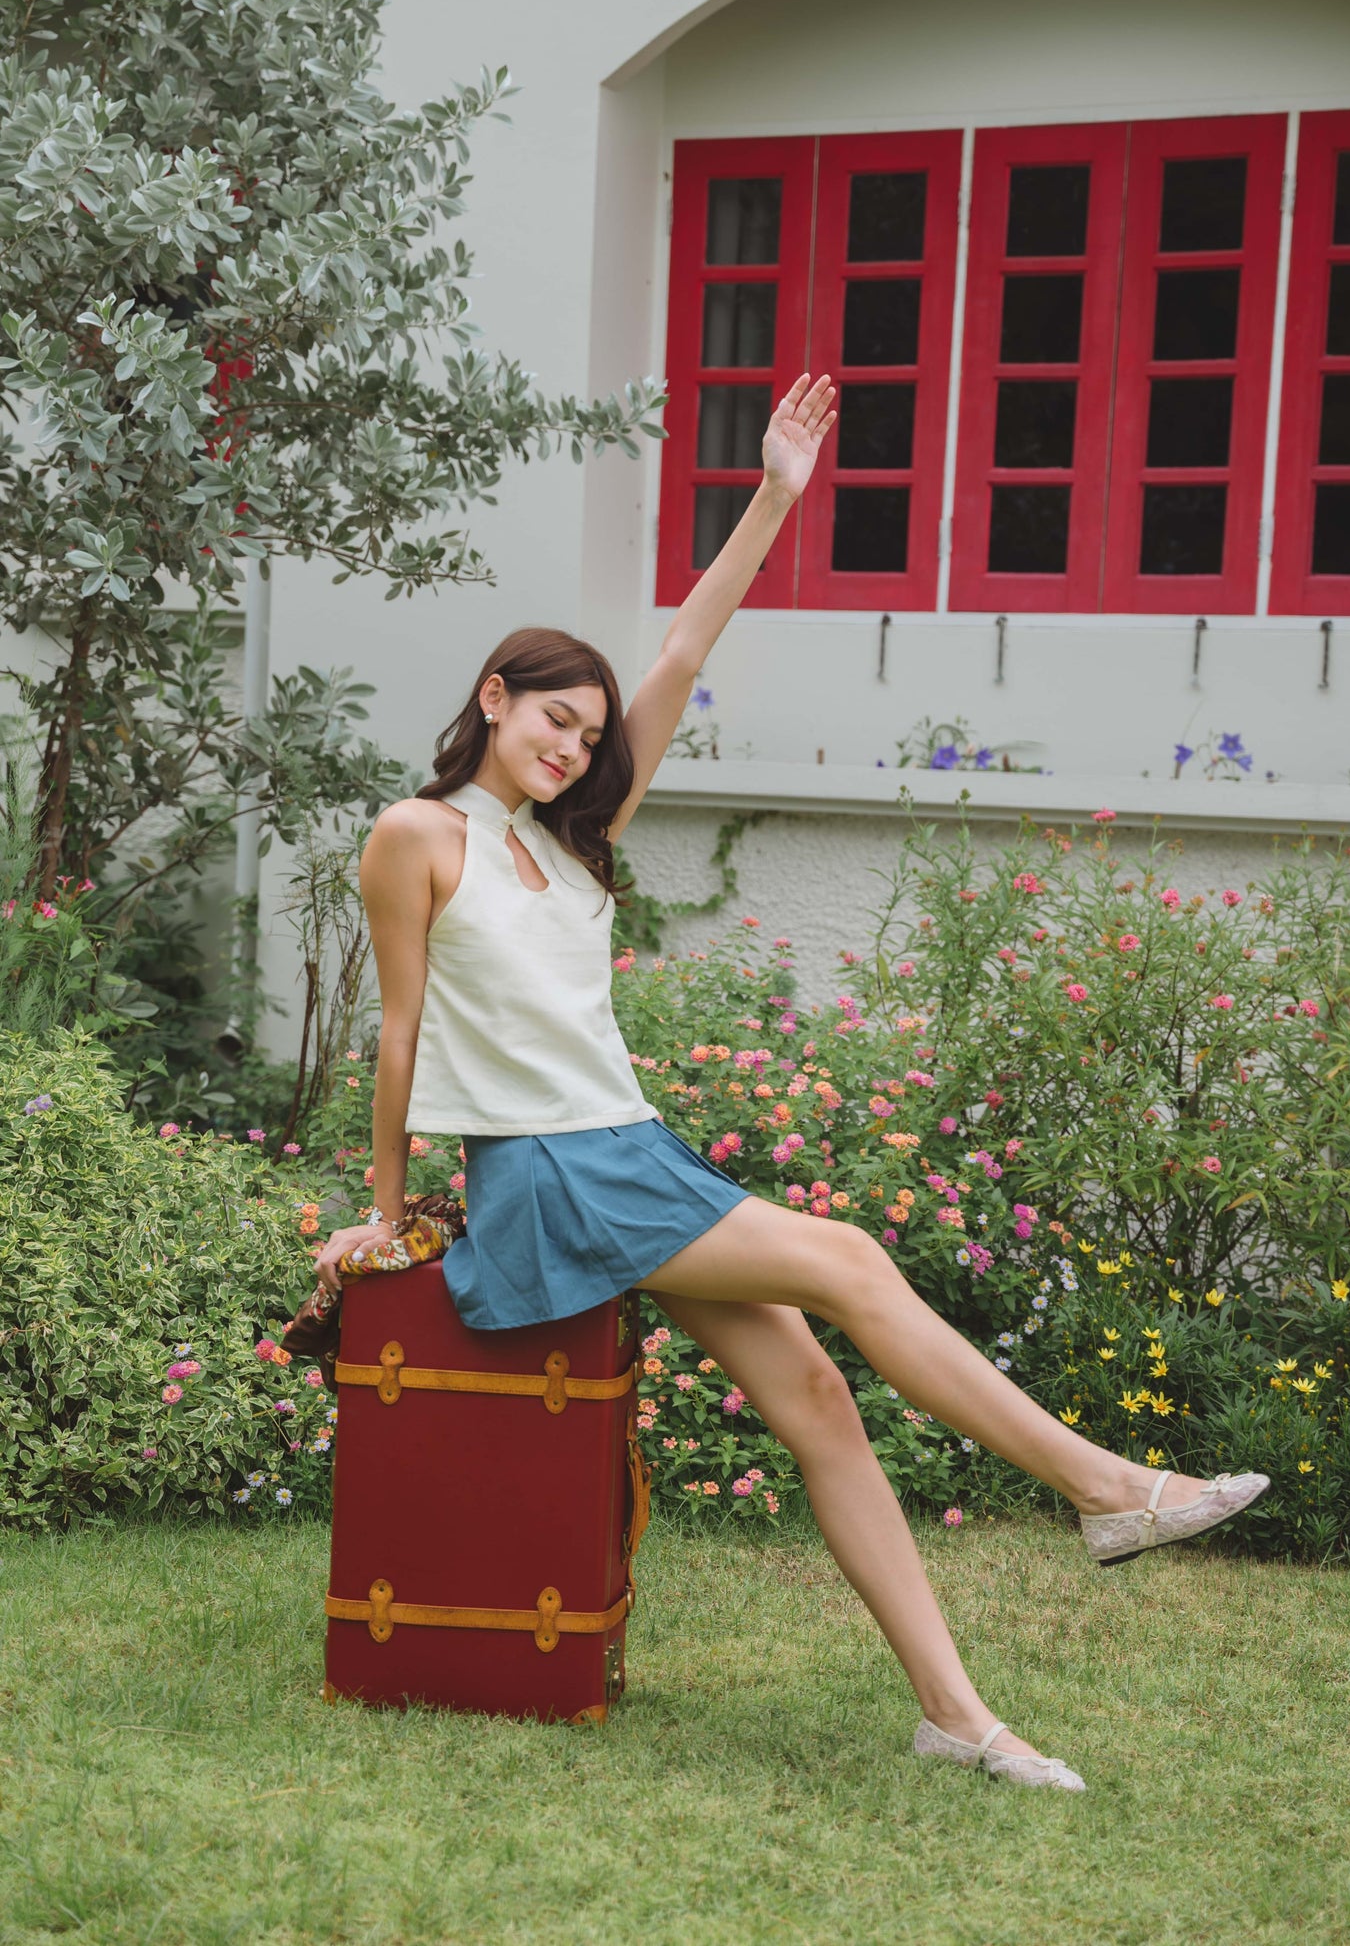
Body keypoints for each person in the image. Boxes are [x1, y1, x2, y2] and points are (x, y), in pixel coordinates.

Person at [312, 373, 1267, 1793]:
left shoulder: (574, 843)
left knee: (815, 1390)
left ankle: (958, 1715)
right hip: (550, 1174)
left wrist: (773, 495)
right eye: (548, 720)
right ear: (491, 702)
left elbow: (685, 652)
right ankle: (1108, 1489)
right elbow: (396, 1035)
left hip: (630, 1154)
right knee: (850, 1257)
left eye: (586, 731)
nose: (572, 745)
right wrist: (384, 1210)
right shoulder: (417, 834)